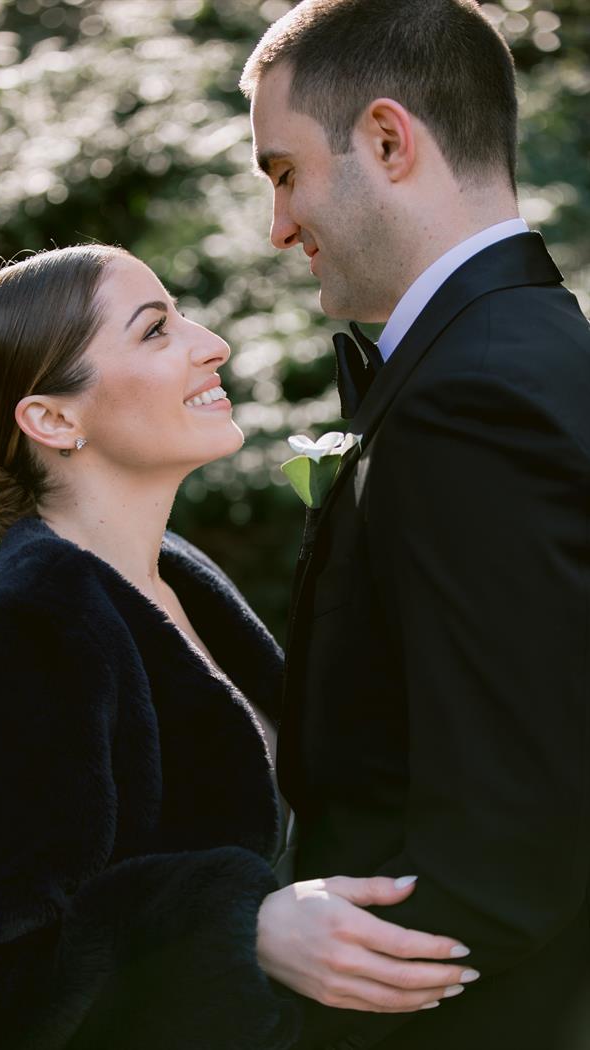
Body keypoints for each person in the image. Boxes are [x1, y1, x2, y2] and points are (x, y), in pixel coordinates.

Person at [0, 244, 476, 1050]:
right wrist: (238, 927)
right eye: (156, 330)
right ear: (54, 418)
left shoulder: (178, 580)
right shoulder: (23, 636)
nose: (212, 343)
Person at [241, 1, 590, 1048]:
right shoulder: (522, 351)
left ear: (389, 141)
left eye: (284, 171)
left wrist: (288, 987)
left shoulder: (468, 399)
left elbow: (516, 837)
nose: (278, 227)